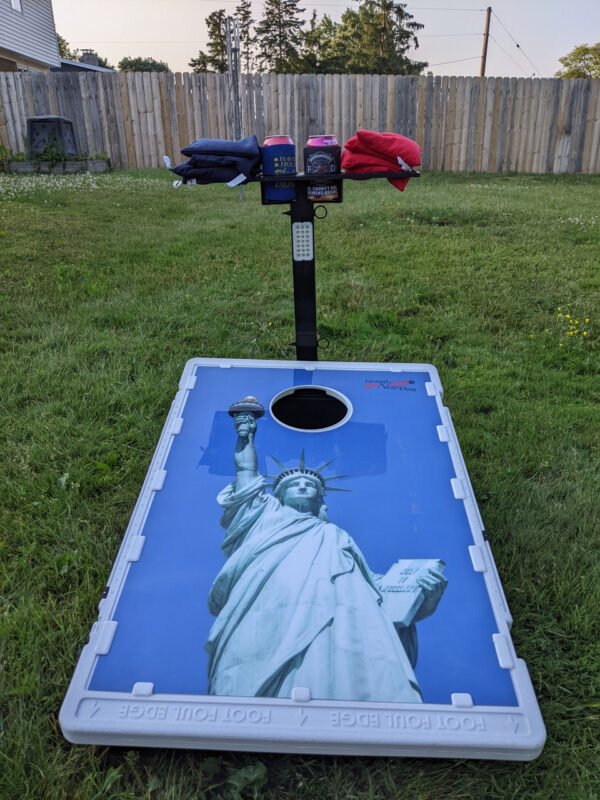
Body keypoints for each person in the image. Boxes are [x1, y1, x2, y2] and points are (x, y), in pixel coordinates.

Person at [205, 399, 447, 702]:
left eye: (311, 485)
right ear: (279, 496)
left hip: (337, 612)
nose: (304, 487)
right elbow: (246, 471)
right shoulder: (265, 517)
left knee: (333, 664)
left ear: (321, 500)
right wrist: (246, 436)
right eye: (296, 485)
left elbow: (374, 587)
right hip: (273, 602)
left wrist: (422, 592)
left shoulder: (333, 534)